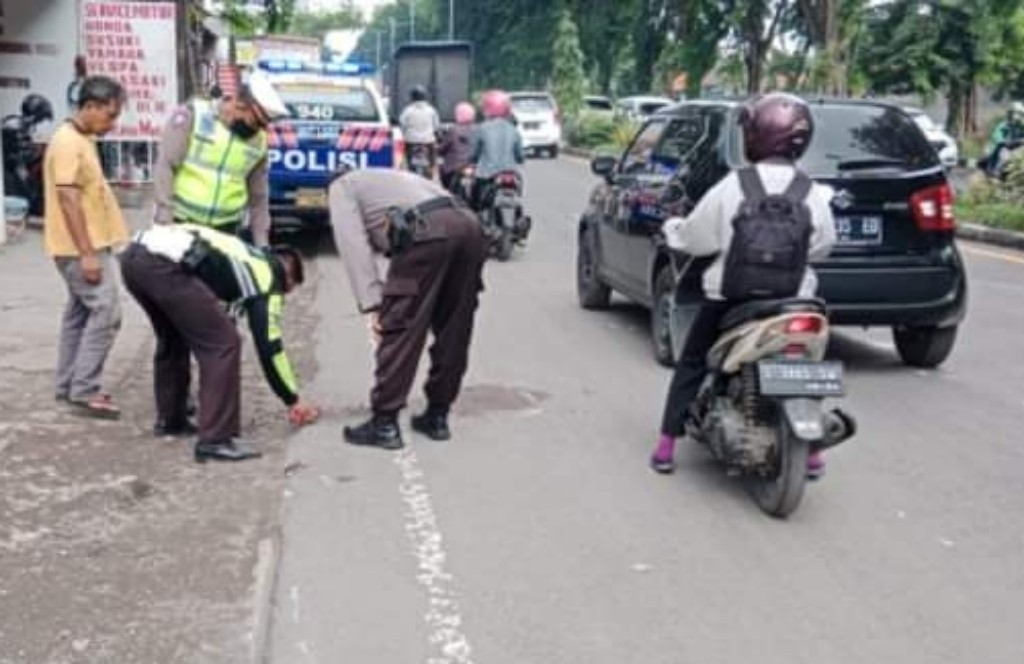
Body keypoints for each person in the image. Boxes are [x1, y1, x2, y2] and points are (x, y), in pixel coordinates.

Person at [650, 93, 837, 478]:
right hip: (794, 301)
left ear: (757, 134)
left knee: (692, 362)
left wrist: (673, 230)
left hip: (730, 299)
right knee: (806, 363)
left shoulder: (733, 186)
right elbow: (823, 246)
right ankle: (813, 454)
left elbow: (696, 238)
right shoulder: (811, 192)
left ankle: (666, 446)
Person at [119, 224, 319, 462]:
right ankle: (216, 439)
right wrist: (292, 399)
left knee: (174, 335)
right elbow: (269, 346)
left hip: (135, 255)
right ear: (289, 276)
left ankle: (172, 420)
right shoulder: (267, 277)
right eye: (288, 291)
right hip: (165, 264)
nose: (283, 298)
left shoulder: (242, 255)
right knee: (224, 343)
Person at [328, 167, 487, 450]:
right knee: (455, 327)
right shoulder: (390, 178)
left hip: (427, 229)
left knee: (401, 327)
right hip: (470, 226)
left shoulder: (341, 187)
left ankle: (384, 424)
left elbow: (353, 244)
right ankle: (437, 416)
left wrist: (373, 304)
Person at [43, 75, 127, 419]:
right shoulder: (67, 143)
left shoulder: (82, 139)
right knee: (107, 312)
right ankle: (84, 389)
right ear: (90, 106)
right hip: (79, 248)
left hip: (85, 245)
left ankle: (69, 385)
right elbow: (68, 199)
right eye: (110, 114)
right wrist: (88, 254)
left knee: (79, 314)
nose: (113, 122)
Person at [152, 70, 289, 248]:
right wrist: (164, 219)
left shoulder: (259, 142)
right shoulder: (192, 117)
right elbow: (165, 167)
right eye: (255, 122)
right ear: (239, 104)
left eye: (263, 125)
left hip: (226, 231)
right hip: (181, 223)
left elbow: (259, 197)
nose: (257, 130)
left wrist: (262, 243)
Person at [470, 89, 524, 211]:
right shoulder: (513, 129)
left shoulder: (482, 128)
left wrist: (472, 160)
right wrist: (519, 159)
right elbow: (520, 155)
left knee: (475, 199)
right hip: (510, 172)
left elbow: (474, 153)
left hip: (487, 174)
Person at [399, 84, 441, 177]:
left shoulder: (407, 111)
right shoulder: (431, 110)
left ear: (412, 97)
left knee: (409, 164)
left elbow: (402, 125)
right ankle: (430, 170)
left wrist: (405, 134)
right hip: (428, 141)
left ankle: (411, 169)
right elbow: (436, 126)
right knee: (432, 163)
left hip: (411, 141)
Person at [437, 101, 477, 196]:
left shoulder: (454, 131)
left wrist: (438, 150)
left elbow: (442, 149)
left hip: (454, 168)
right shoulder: (478, 130)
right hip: (473, 167)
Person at [983, 102, 1024, 173]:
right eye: (1012, 113)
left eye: (1019, 114)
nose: (1015, 116)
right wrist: (1004, 141)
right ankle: (994, 170)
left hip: (1018, 149)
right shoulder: (1003, 126)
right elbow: (996, 137)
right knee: (1004, 155)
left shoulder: (1021, 126)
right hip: (1006, 148)